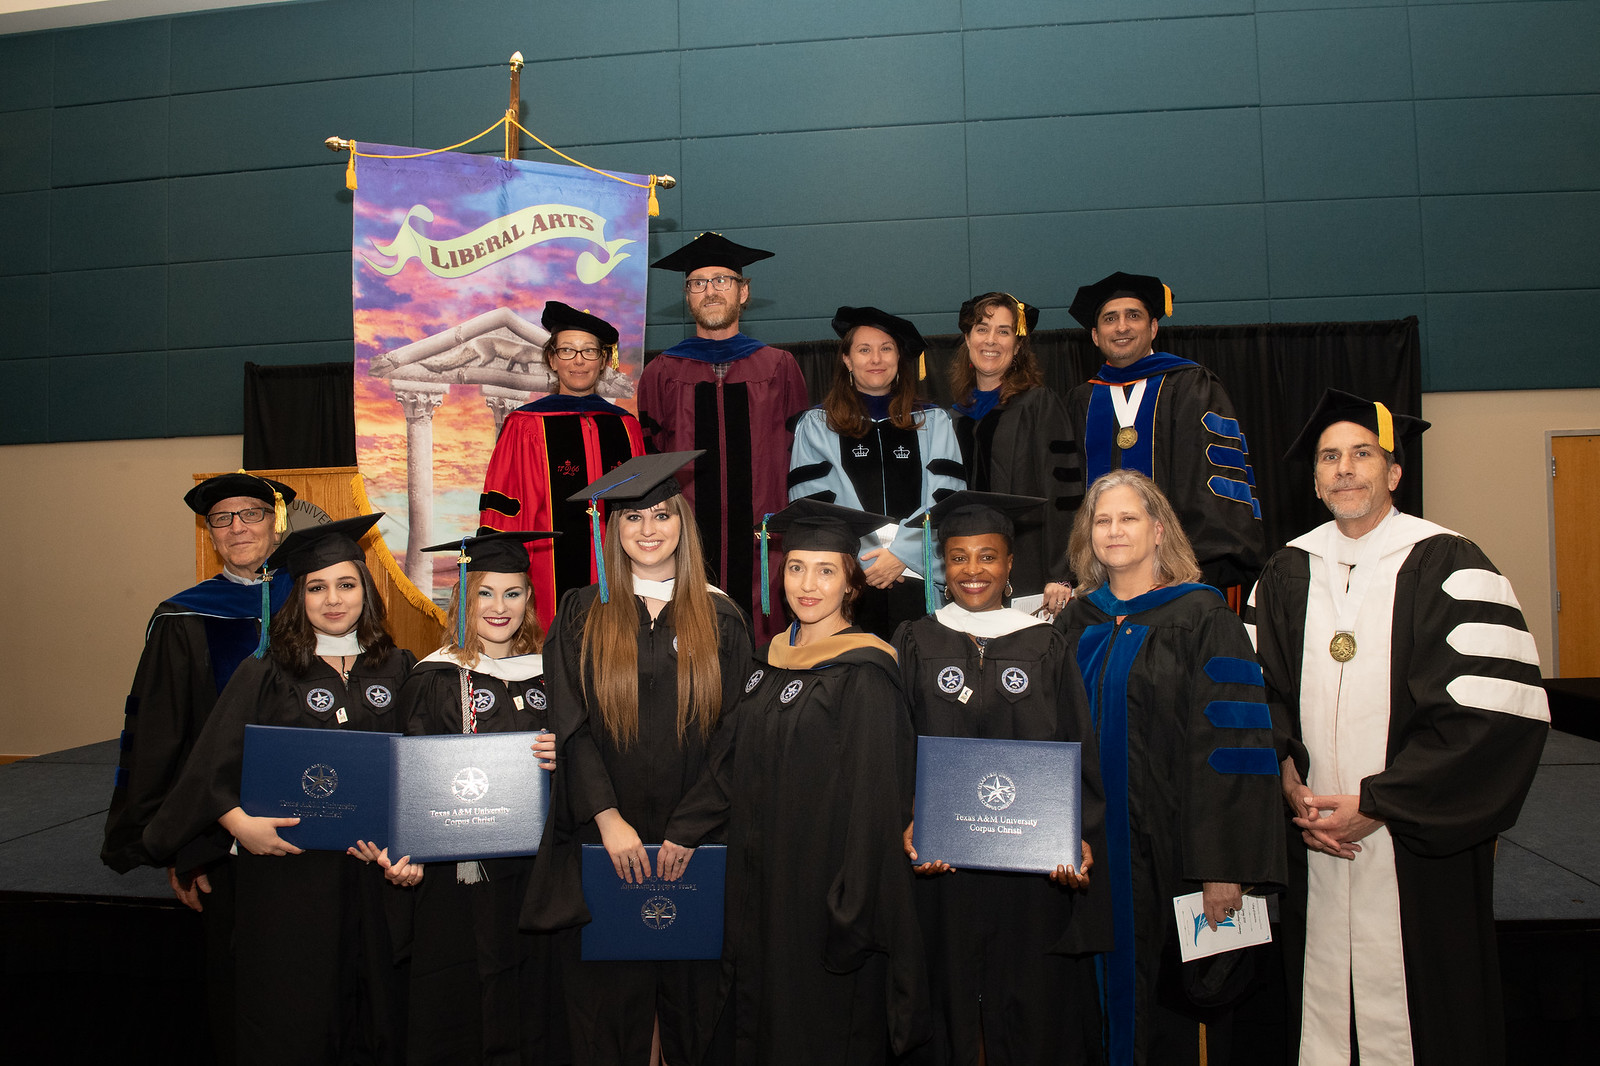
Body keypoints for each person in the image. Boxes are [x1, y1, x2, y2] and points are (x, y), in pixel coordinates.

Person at [1247, 389, 1549, 1066]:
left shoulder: (1453, 563)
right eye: (1330, 457)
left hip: (1415, 848)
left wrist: (1382, 804)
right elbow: (1255, 694)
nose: (1345, 469)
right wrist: (1285, 775)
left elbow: (1491, 716)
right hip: (1311, 834)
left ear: (1393, 472)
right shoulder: (1286, 571)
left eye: (1362, 454)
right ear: (1316, 477)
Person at [666, 498, 931, 1065]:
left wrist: (852, 905)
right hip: (760, 887)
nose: (807, 585)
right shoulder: (771, 662)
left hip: (822, 893)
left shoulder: (866, 674)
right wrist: (683, 831)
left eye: (826, 570)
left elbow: (876, 805)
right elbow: (729, 761)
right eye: (795, 567)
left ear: (851, 584)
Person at [144, 514, 414, 1066]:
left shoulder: (400, 667)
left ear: (367, 588)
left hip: (377, 875)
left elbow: (427, 766)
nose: (333, 600)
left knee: (381, 1010)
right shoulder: (266, 669)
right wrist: (238, 824)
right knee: (295, 1014)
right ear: (299, 595)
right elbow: (209, 766)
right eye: (317, 587)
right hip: (290, 876)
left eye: (346, 584)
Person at [520, 452, 753, 1066]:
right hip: (604, 843)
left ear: (682, 525)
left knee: (697, 1010)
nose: (648, 531)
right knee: (605, 1012)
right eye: (632, 520)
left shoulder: (720, 616)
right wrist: (606, 817)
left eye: (661, 516)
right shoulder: (581, 612)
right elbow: (569, 721)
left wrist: (689, 827)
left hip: (698, 843)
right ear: (611, 530)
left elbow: (737, 731)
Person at [1056, 471, 1285, 1066]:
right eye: (1102, 520)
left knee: (1177, 1016)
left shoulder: (1205, 618)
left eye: (1129, 518)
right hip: (1091, 854)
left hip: (1176, 856)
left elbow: (1234, 749)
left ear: (1159, 530)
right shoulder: (1076, 624)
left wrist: (1224, 866)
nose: (1114, 531)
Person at [894, 491, 1111, 1064]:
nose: (973, 571)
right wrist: (908, 826)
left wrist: (1078, 835)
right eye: (959, 557)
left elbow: (1076, 743)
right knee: (946, 1000)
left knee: (1032, 1002)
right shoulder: (917, 640)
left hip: (1030, 864)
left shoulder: (1044, 642)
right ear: (942, 565)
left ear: (1010, 564)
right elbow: (894, 749)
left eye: (987, 556)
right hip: (943, 864)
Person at [101, 470, 295, 1065]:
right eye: (222, 519)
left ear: (275, 521)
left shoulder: (318, 597)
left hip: (325, 817)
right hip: (223, 829)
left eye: (251, 514)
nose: (237, 528)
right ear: (210, 533)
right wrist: (181, 844)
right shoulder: (184, 617)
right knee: (236, 974)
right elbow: (162, 737)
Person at [383, 530, 566, 1064]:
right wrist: (405, 846)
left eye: (513, 593)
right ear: (464, 597)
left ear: (530, 600)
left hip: (538, 873)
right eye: (485, 592)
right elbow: (410, 772)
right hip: (458, 879)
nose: (500, 607)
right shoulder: (434, 676)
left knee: (535, 991)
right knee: (461, 993)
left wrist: (565, 755)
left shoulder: (552, 674)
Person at [642, 232, 811, 643]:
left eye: (722, 280)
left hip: (763, 541)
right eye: (698, 283)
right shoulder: (662, 372)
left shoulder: (779, 366)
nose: (710, 290)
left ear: (744, 291)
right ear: (687, 296)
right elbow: (647, 460)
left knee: (764, 648)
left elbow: (803, 457)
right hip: (686, 538)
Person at [1066, 271, 1264, 599]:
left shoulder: (1191, 385)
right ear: (1096, 335)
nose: (1122, 326)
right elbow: (1067, 496)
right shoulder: (1080, 401)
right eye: (1110, 318)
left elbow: (1210, 482)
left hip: (1182, 575)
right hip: (1099, 580)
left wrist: (1192, 567)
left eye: (1134, 316)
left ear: (1153, 327)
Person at [788, 305, 966, 640]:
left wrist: (902, 553)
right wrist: (868, 561)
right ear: (847, 360)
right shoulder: (817, 423)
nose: (876, 359)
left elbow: (946, 493)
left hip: (917, 574)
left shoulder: (932, 421)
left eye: (886, 349)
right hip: (849, 579)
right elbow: (816, 501)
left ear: (899, 358)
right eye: (864, 350)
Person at [480, 300, 645, 630]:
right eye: (567, 351)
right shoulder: (526, 425)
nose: (579, 361)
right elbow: (505, 510)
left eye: (589, 351)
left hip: (619, 572)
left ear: (603, 362)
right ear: (552, 360)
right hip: (545, 572)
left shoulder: (625, 426)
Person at [947, 293, 1077, 615]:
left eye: (1004, 331)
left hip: (1029, 567)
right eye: (982, 328)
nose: (991, 340)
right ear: (967, 338)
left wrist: (1061, 574)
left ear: (1017, 346)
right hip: (969, 571)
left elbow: (1064, 492)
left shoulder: (1038, 404)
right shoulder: (954, 416)